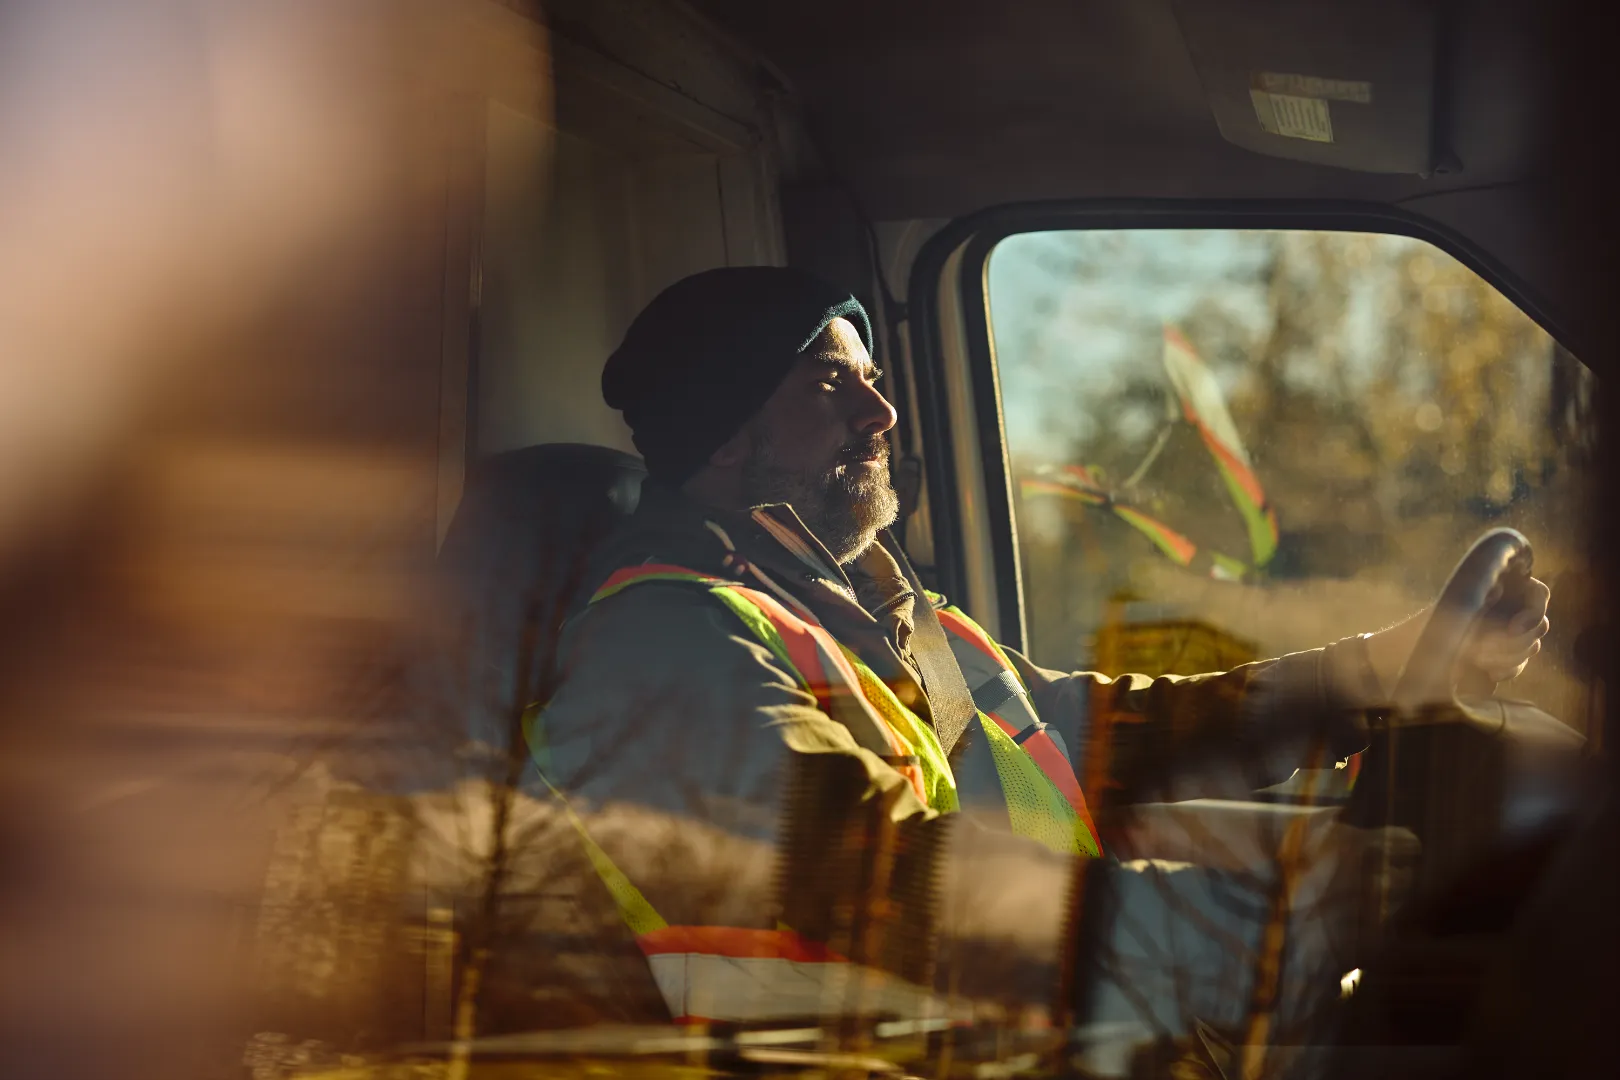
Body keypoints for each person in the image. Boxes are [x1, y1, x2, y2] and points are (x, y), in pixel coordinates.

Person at [529, 266, 1550, 1031]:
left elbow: (1084, 730)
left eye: (873, 378)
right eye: (830, 385)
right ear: (723, 435)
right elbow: (880, 882)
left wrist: (1369, 672)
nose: (883, 411)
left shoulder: (875, 608)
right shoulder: (665, 642)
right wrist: (1274, 925)